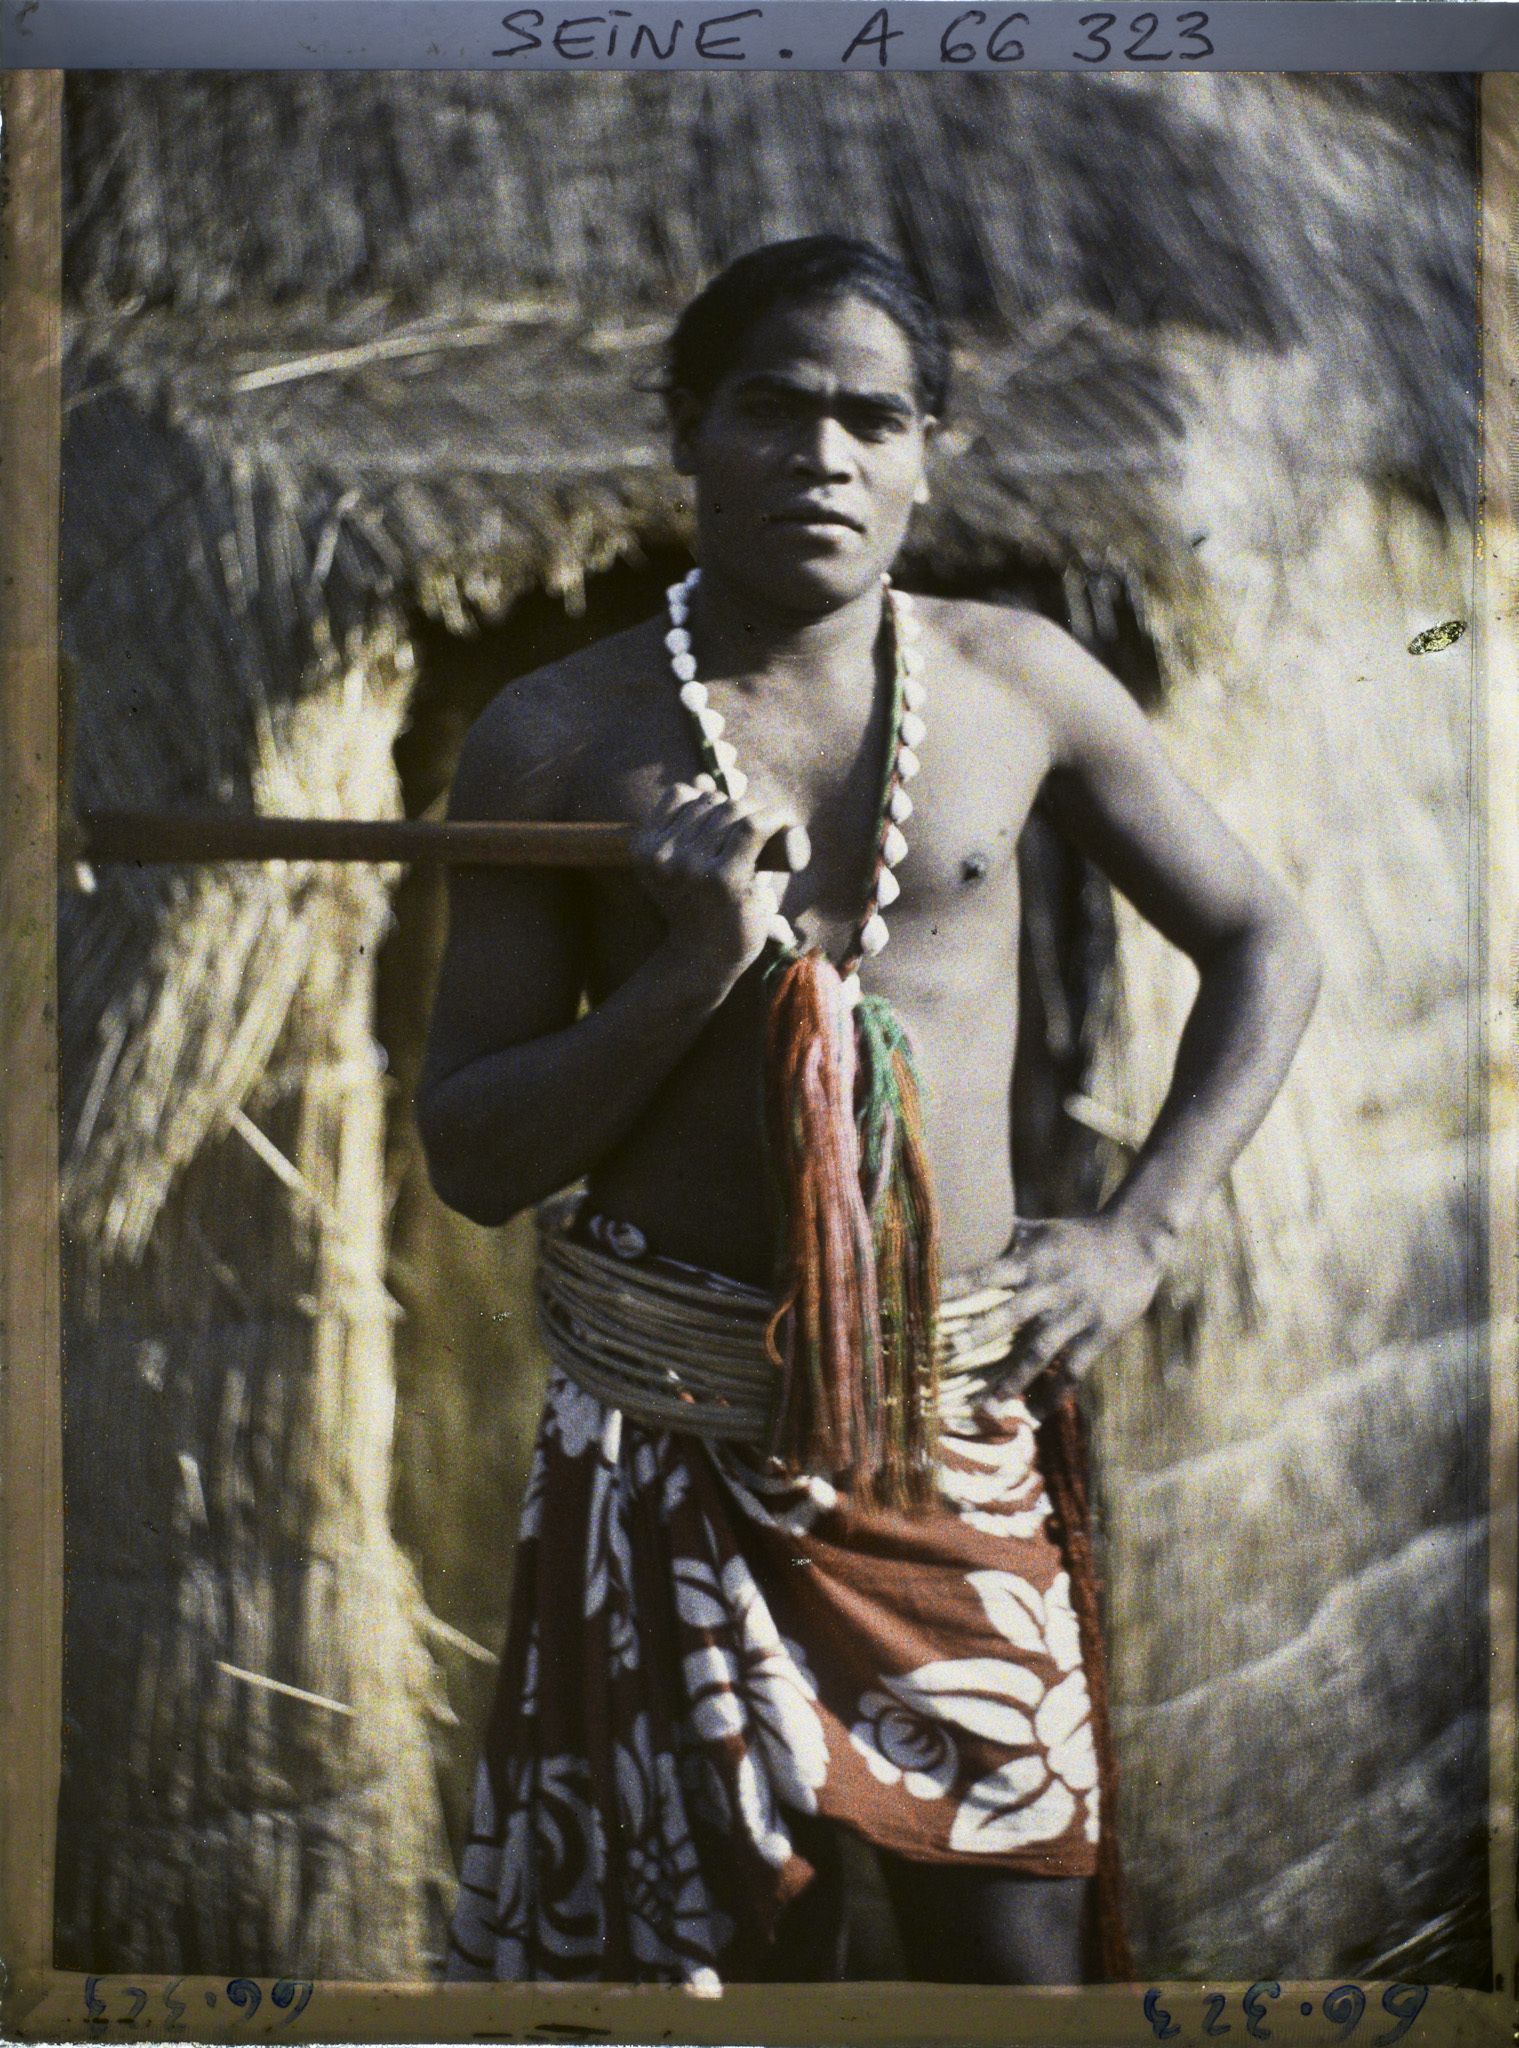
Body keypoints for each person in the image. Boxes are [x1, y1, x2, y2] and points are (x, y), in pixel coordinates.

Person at [417, 236, 1321, 1988]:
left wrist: (1144, 1227)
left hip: (946, 1431)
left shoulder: (1017, 683)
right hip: (667, 1449)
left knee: (1020, 1968)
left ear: (926, 453)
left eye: (871, 417)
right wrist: (691, 972)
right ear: (688, 432)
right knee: (726, 1983)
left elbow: (1265, 937)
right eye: (772, 408)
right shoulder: (557, 737)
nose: (823, 456)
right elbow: (473, 1157)